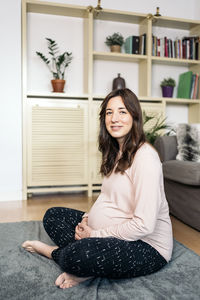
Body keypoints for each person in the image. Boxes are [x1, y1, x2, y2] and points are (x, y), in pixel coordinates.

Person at [22, 88, 173, 289]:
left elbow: (144, 226)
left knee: (79, 255)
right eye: (109, 113)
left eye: (122, 111)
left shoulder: (145, 157)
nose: (114, 118)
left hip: (147, 247)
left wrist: (93, 235)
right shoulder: (114, 152)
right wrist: (86, 219)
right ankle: (88, 266)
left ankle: (54, 253)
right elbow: (106, 197)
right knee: (53, 216)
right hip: (108, 234)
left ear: (134, 116)